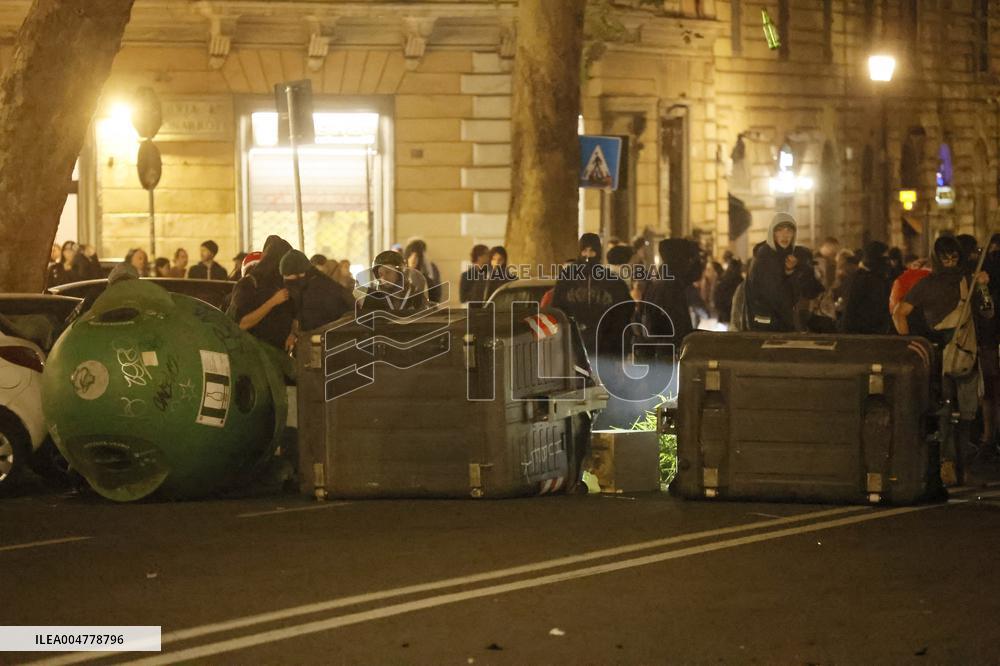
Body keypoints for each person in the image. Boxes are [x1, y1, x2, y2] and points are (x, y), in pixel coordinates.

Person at [892, 236, 991, 485]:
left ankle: (960, 466)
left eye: (953, 257)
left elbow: (987, 312)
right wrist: (911, 344)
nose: (949, 262)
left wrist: (982, 287)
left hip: (965, 353)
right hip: (943, 355)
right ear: (938, 258)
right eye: (945, 258)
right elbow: (900, 312)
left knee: (966, 412)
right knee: (947, 411)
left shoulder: (968, 280)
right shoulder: (929, 284)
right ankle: (948, 465)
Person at [551, 233, 632, 359]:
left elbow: (624, 308)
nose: (588, 255)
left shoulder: (610, 280)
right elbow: (556, 307)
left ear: (598, 252)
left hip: (603, 344)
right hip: (574, 343)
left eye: (592, 251)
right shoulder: (567, 278)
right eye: (584, 251)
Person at [228, 235, 295, 352]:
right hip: (252, 356)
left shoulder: (283, 285)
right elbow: (241, 324)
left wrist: (292, 333)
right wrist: (273, 302)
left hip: (279, 358)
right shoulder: (249, 284)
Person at [745, 213, 799, 332]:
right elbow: (774, 294)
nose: (785, 235)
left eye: (789, 230)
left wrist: (789, 271)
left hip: (776, 321)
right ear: (772, 234)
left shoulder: (785, 255)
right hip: (768, 323)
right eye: (779, 230)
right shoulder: (766, 256)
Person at [279, 250, 353, 332]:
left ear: (301, 274)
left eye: (288, 277)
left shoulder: (315, 291)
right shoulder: (315, 281)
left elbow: (310, 325)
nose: (287, 284)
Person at [840, 241, 892, 334]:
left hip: (874, 333)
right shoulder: (860, 279)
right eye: (885, 257)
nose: (888, 262)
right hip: (863, 335)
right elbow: (850, 310)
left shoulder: (876, 277)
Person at [356, 250, 429, 315]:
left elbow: (425, 319)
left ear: (400, 272)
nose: (384, 278)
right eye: (380, 274)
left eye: (388, 272)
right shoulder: (373, 297)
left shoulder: (416, 295)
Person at [404, 239, 443, 303]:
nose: (413, 259)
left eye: (416, 256)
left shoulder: (425, 279)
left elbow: (435, 296)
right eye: (411, 256)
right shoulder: (400, 276)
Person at [714, 255, 743, 327]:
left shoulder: (722, 279)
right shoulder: (741, 282)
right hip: (736, 317)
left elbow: (716, 298)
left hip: (723, 316)